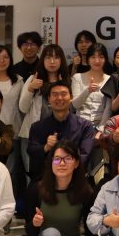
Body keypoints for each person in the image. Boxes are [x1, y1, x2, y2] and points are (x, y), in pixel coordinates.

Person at [18, 44, 71, 175]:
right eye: (48, 58)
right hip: (32, 135)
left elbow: (73, 108)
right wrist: (31, 89)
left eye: (56, 57)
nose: (52, 61)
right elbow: (23, 108)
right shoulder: (34, 79)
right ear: (42, 60)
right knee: (32, 173)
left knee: (58, 172)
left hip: (59, 134)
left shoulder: (67, 80)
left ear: (62, 60)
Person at [27, 80, 96, 179]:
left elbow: (85, 156)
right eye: (55, 94)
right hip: (45, 179)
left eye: (63, 94)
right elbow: (31, 152)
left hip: (75, 179)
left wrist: (64, 169)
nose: (59, 98)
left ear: (71, 97)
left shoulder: (85, 126)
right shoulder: (37, 127)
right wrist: (46, 147)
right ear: (49, 99)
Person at [71, 42, 114, 126]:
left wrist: (101, 129)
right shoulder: (77, 77)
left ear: (105, 60)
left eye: (101, 57)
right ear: (88, 60)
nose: (97, 61)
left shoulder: (110, 79)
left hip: (101, 126)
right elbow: (75, 105)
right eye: (93, 57)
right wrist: (88, 90)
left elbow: (108, 108)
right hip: (80, 125)